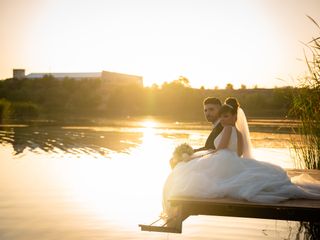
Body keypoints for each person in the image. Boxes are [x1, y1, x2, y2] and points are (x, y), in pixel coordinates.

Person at [163, 99, 320, 218]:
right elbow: (238, 153)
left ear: (231, 116)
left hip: (222, 157)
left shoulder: (227, 128)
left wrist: (204, 155)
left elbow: (219, 148)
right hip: (232, 158)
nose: (222, 119)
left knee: (190, 173)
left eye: (225, 115)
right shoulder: (237, 130)